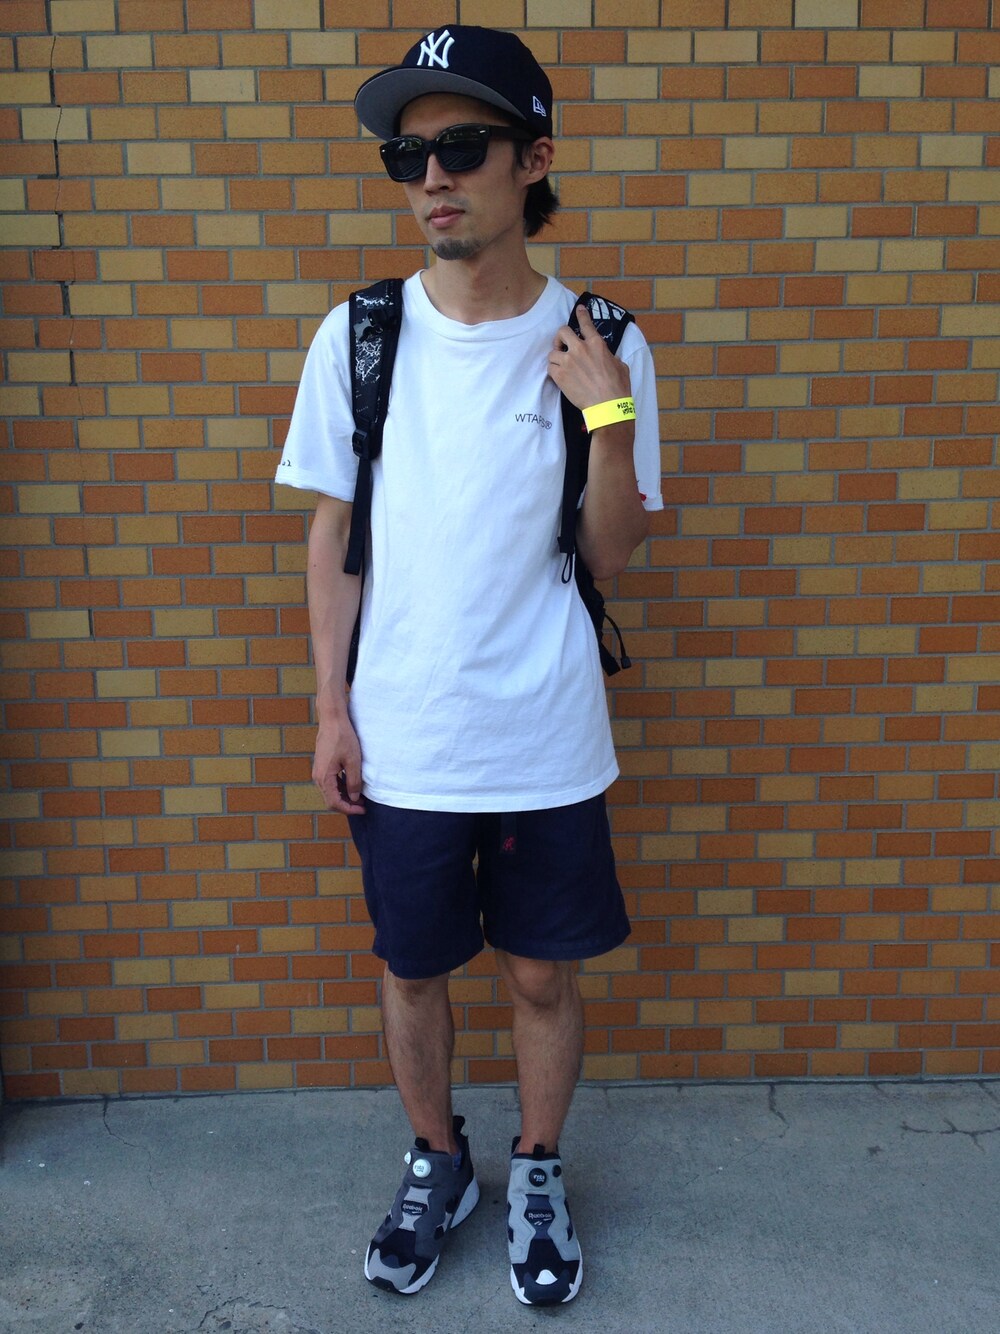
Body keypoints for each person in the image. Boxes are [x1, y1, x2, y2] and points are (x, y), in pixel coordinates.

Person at [275, 25, 663, 1306]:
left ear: (532, 160)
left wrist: (607, 414)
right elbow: (333, 535)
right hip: (406, 729)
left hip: (544, 727)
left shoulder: (603, 340)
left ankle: (537, 1166)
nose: (431, 176)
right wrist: (331, 708)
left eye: (461, 146)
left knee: (542, 971)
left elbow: (608, 555)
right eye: (407, 156)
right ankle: (437, 1158)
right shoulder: (361, 336)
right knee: (413, 965)